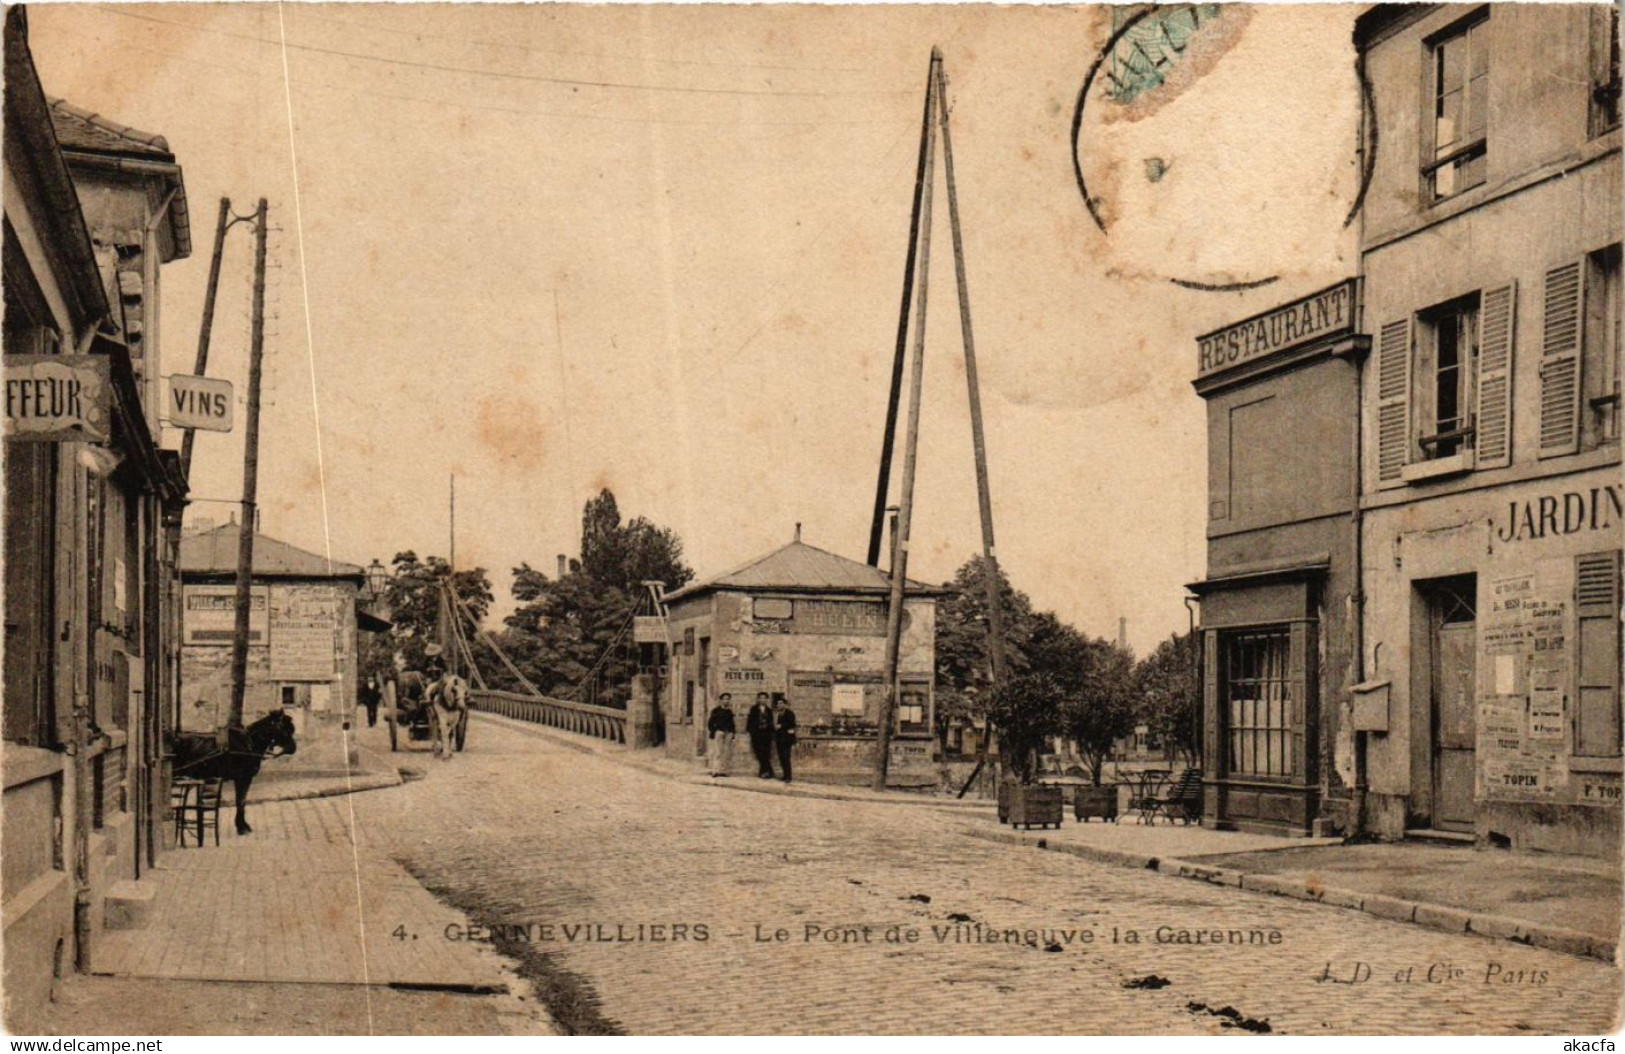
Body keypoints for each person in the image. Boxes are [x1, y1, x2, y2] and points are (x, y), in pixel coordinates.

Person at [428, 663, 467, 760]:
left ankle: (445, 748)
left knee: (449, 728)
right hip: (436, 683)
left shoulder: (441, 661)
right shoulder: (427, 661)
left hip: (446, 680)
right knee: (435, 688)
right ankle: (445, 750)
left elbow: (446, 671)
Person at [745, 692, 776, 779]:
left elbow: (771, 722)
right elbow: (750, 720)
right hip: (757, 734)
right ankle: (768, 771)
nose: (762, 700)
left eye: (764, 698)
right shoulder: (753, 709)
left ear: (767, 700)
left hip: (767, 734)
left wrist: (772, 733)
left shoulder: (769, 710)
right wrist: (750, 731)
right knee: (759, 753)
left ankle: (764, 772)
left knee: (766, 753)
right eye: (761, 698)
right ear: (758, 699)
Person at [706, 694, 737, 777]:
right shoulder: (716, 711)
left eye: (728, 699)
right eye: (724, 699)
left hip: (728, 733)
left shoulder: (729, 711)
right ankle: (715, 770)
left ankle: (723, 771)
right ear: (721, 700)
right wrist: (714, 731)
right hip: (719, 732)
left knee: (726, 752)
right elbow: (710, 723)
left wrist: (732, 733)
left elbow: (732, 723)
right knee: (717, 752)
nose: (726, 701)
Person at [771, 694, 797, 783]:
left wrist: (781, 726)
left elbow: (792, 724)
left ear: (785, 705)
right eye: (778, 704)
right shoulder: (779, 715)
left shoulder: (789, 713)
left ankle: (788, 776)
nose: (780, 705)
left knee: (786, 757)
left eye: (781, 703)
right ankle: (785, 775)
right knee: (782, 758)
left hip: (787, 740)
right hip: (780, 740)